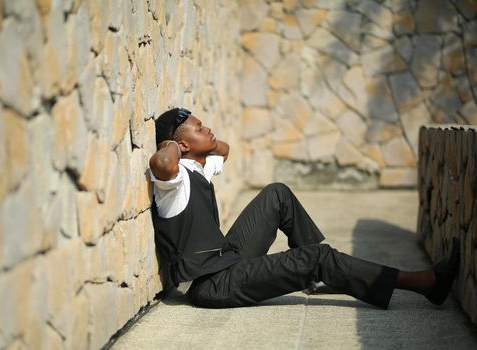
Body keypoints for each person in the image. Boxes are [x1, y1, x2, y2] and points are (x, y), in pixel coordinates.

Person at [148, 107, 460, 309]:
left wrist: (202, 141)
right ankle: (425, 283)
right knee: (317, 257)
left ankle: (321, 277)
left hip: (225, 261)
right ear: (182, 146)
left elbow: (224, 150)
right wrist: (172, 145)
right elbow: (162, 162)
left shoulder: (198, 167)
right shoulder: (176, 182)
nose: (208, 129)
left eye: (204, 125)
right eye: (198, 128)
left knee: (277, 193)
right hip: (210, 285)